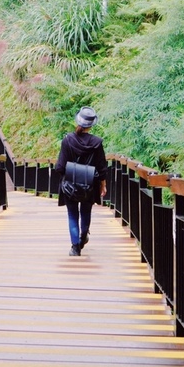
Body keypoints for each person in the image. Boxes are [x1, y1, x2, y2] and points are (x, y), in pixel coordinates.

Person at [55, 106, 108, 256]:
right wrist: (102, 184)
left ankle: (75, 247)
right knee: (86, 211)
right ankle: (83, 235)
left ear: (78, 121)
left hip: (70, 184)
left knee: (72, 214)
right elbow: (102, 166)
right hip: (89, 184)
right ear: (91, 125)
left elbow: (60, 166)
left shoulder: (67, 140)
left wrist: (67, 176)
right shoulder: (97, 143)